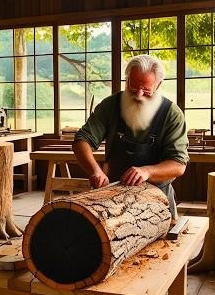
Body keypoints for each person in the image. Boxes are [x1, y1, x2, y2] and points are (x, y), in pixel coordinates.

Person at [72, 54, 189, 218]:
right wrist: (95, 171)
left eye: (146, 90)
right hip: (112, 195)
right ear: (127, 79)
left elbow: (178, 165)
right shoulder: (110, 106)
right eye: (133, 88)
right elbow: (81, 140)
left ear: (158, 85)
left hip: (158, 199)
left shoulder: (171, 114)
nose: (139, 95)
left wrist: (147, 171)